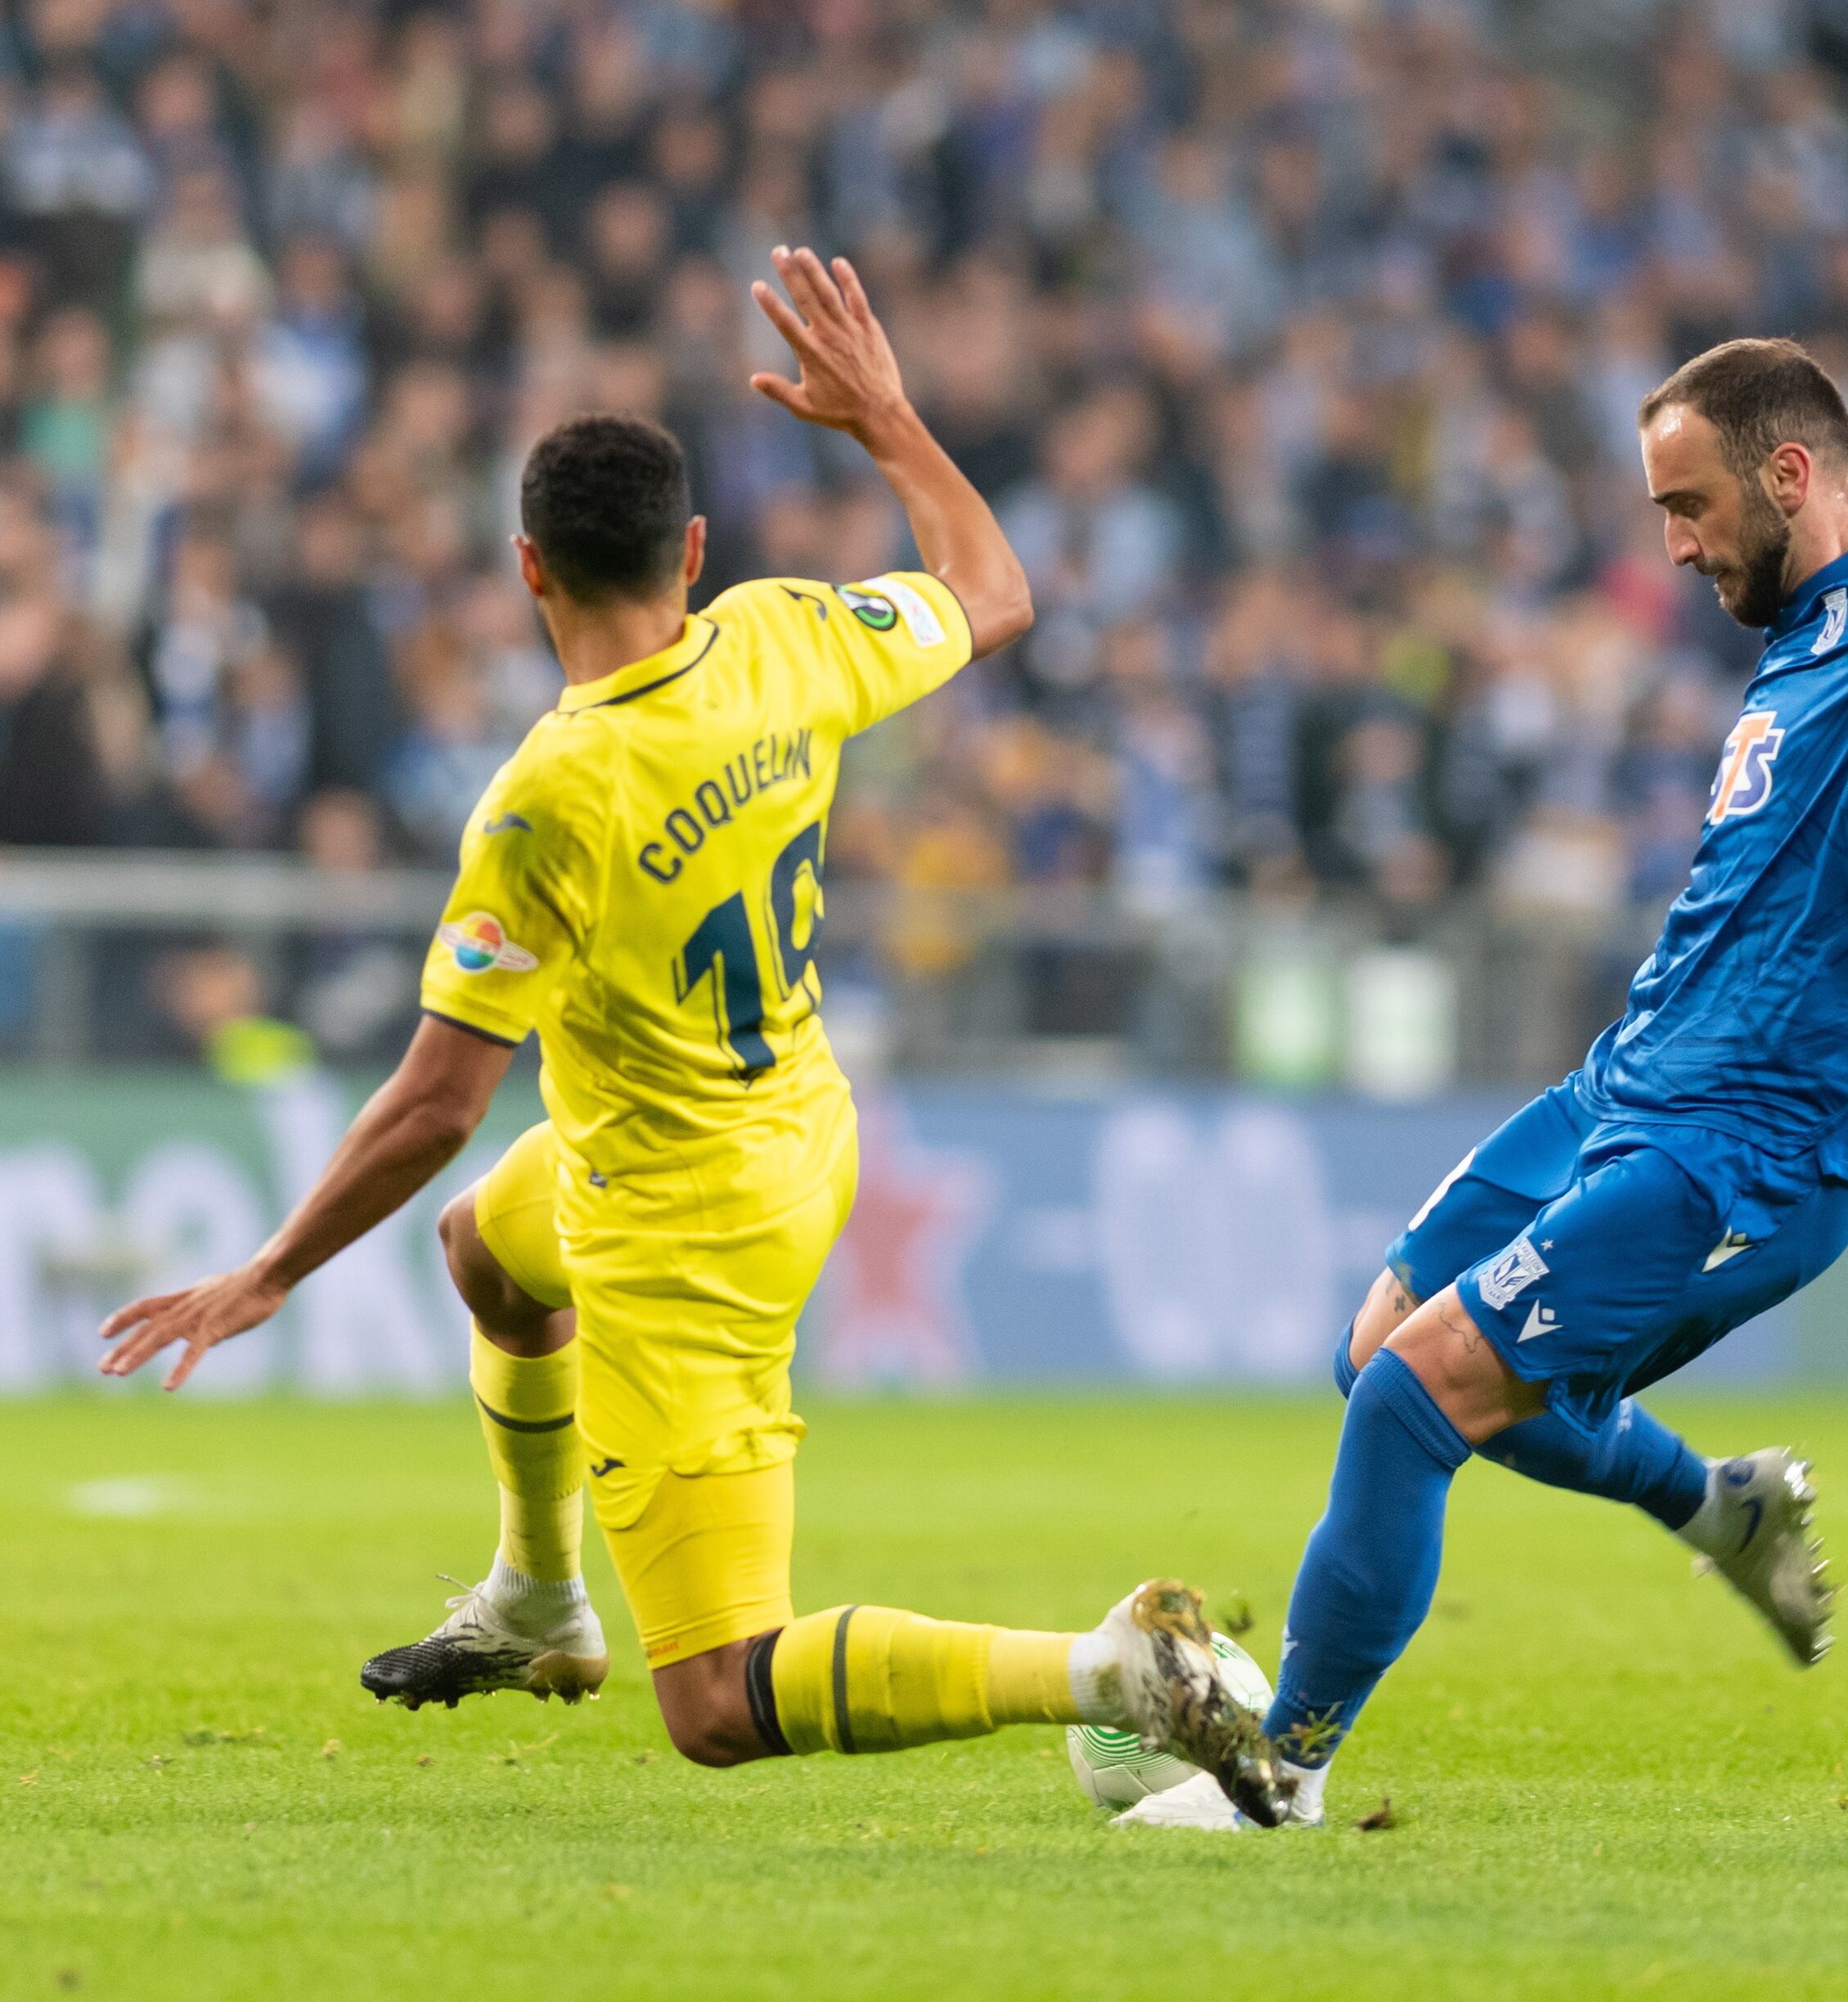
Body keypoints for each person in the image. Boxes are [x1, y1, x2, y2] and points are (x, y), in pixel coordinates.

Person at [98, 247, 1291, 1823]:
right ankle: (537, 1600)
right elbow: (995, 592)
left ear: (528, 569)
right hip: (784, 1121)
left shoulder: (547, 798)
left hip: (682, 1229)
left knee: (720, 1702)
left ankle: (1109, 1675)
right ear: (697, 548)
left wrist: (268, 1272)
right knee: (487, 1252)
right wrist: (886, 422)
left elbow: (435, 1098)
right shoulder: (785, 635)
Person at [1121, 336, 1848, 1831]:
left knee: (1407, 1404)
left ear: (1787, 474)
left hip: (1749, 1149)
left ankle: (1277, 1779)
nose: (1676, 543)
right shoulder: (1806, 633)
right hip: (1621, 1087)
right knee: (1372, 1347)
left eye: (1687, 506)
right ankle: (1716, 1505)